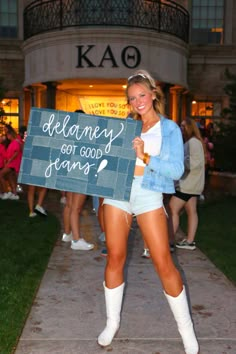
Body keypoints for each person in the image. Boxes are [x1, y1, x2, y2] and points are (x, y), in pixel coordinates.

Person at [97, 70, 199, 354]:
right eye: (132, 98)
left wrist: (145, 156)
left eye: (142, 95)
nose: (138, 101)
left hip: (149, 193)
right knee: (115, 257)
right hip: (119, 193)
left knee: (163, 262)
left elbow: (177, 170)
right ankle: (112, 323)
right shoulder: (126, 125)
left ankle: (186, 330)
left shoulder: (169, 129)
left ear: (154, 94)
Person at [169, 117, 205, 251]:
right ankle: (190, 241)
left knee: (173, 209)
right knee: (191, 211)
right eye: (181, 126)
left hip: (187, 184)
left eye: (184, 127)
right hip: (192, 184)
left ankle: (170, 241)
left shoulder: (193, 143)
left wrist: (179, 163)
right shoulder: (193, 142)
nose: (181, 129)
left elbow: (195, 163)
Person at [61, 109, 94, 251]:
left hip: (69, 171)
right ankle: (76, 239)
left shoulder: (69, 134)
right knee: (76, 208)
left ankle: (67, 234)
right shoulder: (84, 135)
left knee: (69, 205)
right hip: (80, 172)